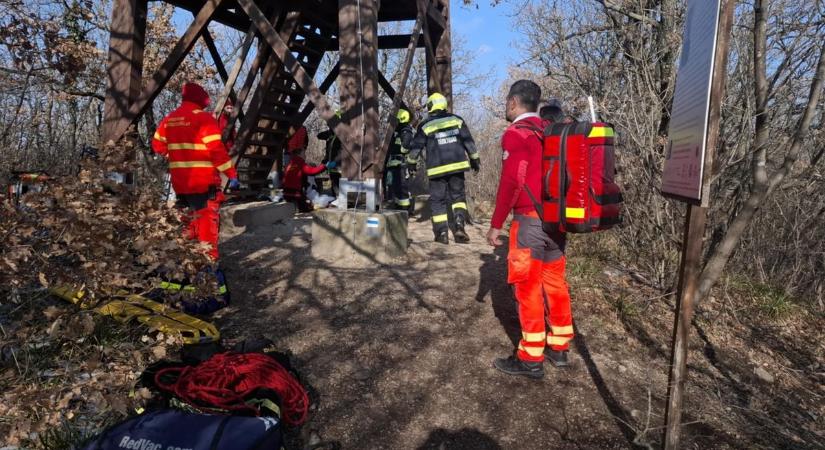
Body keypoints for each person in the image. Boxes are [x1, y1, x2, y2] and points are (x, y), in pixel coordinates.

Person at [486, 80, 573, 379]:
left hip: (528, 223)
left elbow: (512, 182)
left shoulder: (516, 134)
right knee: (555, 284)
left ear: (512, 102)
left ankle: (530, 357)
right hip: (556, 223)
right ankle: (559, 348)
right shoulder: (550, 131)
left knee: (527, 287)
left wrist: (496, 224)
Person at [151, 82, 239, 261]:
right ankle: (209, 271)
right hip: (204, 184)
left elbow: (157, 144)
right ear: (201, 99)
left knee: (188, 225)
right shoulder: (204, 119)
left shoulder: (170, 118)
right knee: (207, 229)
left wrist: (174, 156)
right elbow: (217, 151)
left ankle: (186, 265)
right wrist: (231, 174)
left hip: (181, 185)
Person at [408, 93, 480, 244]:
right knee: (458, 197)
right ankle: (459, 225)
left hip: (436, 169)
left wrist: (411, 163)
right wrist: (475, 160)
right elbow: (469, 142)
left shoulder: (425, 125)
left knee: (438, 201)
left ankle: (441, 233)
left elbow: (416, 147)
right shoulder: (457, 120)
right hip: (457, 167)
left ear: (431, 106)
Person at [283, 127, 334, 212]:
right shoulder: (300, 163)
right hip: (296, 194)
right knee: (305, 208)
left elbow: (285, 177)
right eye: (304, 153)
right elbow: (312, 171)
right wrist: (324, 166)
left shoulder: (290, 164)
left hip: (285, 193)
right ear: (300, 153)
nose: (305, 155)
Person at [383, 108, 415, 211]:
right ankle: (397, 206)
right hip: (392, 164)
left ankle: (406, 209)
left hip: (401, 164)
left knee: (402, 187)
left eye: (396, 120)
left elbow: (405, 148)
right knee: (394, 187)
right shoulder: (396, 132)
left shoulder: (406, 131)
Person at [316, 111, 343, 196]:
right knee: (333, 180)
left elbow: (343, 150)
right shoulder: (330, 134)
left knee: (337, 180)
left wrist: (337, 161)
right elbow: (319, 135)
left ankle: (339, 197)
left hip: (337, 162)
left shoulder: (341, 134)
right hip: (329, 160)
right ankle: (335, 197)